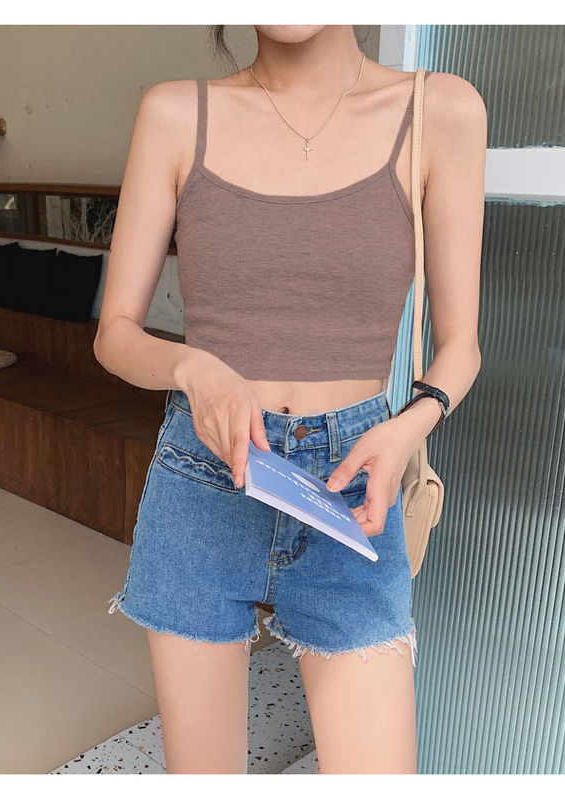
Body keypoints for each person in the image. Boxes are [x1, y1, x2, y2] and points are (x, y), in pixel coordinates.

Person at [94, 24, 486, 774]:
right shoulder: (174, 114)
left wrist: (410, 425)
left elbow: (461, 342)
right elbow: (115, 333)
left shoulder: (441, 111)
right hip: (203, 481)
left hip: (353, 484)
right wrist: (194, 369)